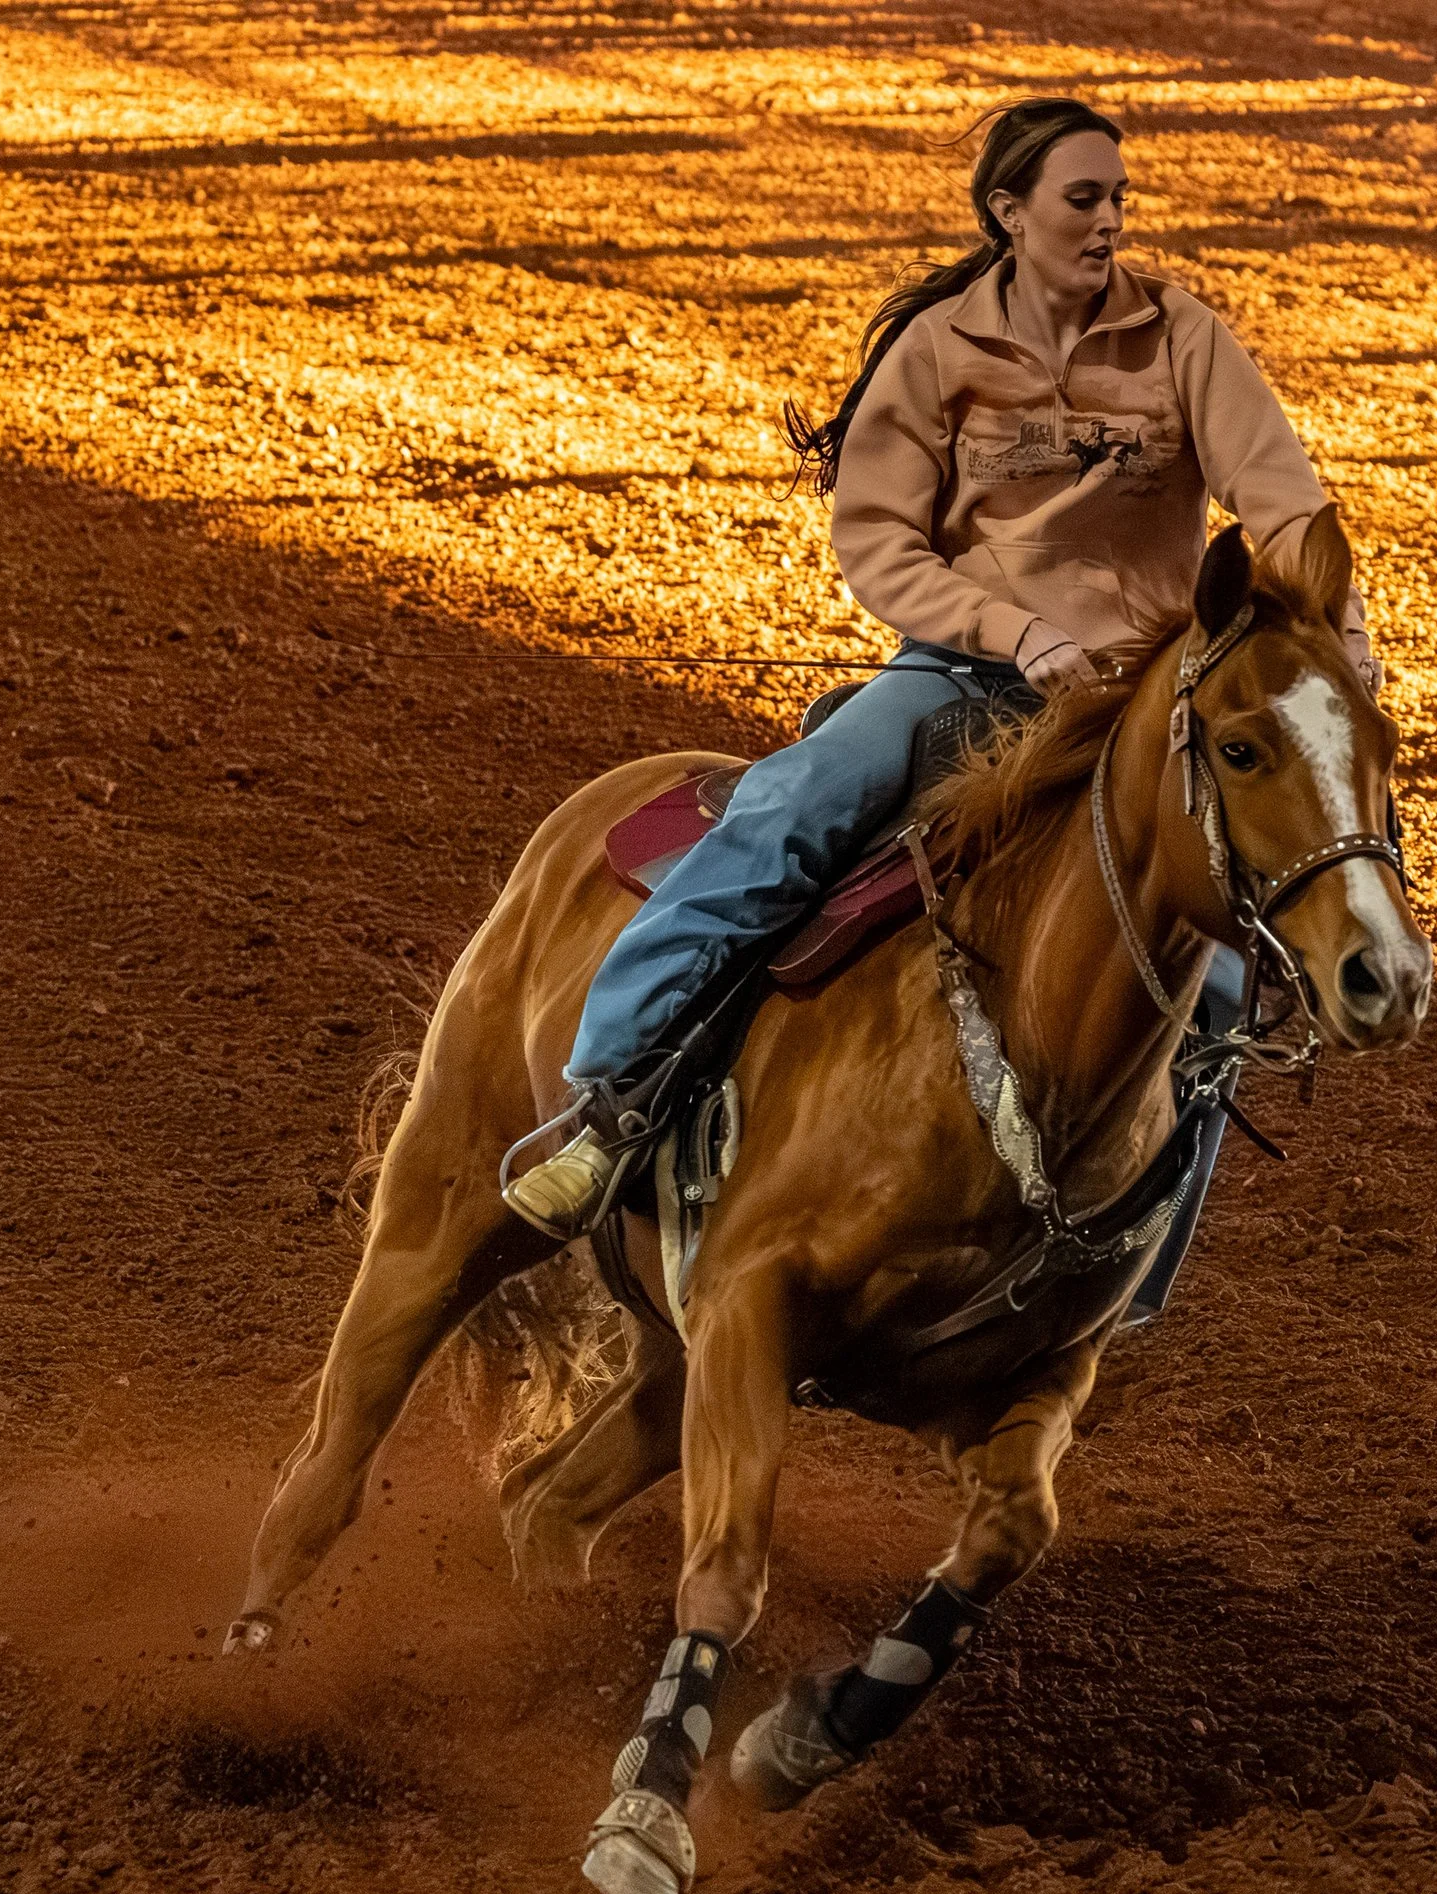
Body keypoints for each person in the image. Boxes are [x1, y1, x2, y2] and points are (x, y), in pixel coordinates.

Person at [502, 95, 1381, 1247]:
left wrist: (1342, 647)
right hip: (965, 680)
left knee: (1217, 979)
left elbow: (1288, 508)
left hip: (1137, 711)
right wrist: (1014, 633)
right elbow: (878, 542)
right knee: (791, 810)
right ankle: (606, 1103)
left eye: (1119, 198)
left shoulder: (1181, 339)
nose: (1110, 220)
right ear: (1009, 211)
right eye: (1083, 198)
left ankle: (1137, 1253)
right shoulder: (938, 349)